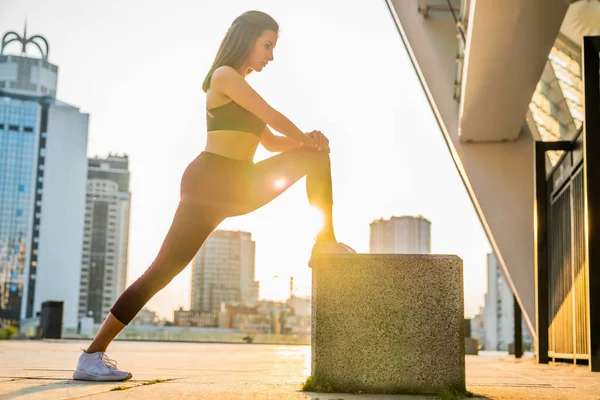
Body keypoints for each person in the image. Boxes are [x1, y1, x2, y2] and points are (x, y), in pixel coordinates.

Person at [72, 10, 355, 382]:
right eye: (267, 45)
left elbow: (269, 140)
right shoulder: (224, 77)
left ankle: (325, 243)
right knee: (162, 271)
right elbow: (271, 116)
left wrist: (311, 142)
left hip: (241, 182)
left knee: (316, 156)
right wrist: (307, 137)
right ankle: (92, 355)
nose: (271, 56)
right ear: (247, 38)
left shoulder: (242, 86)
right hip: (210, 183)